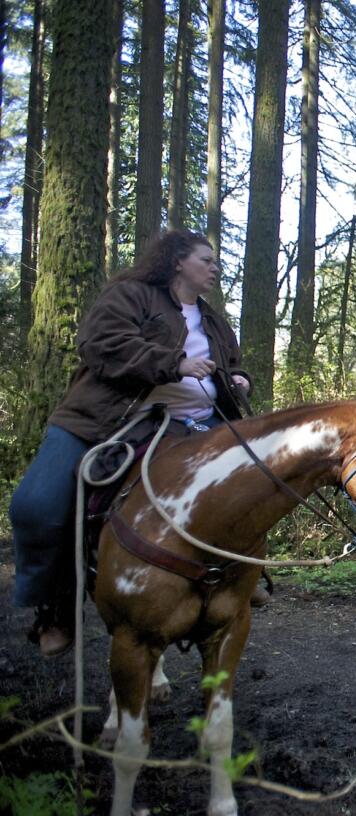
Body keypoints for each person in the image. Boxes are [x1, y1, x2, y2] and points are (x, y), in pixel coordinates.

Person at [9, 230, 255, 658]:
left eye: (215, 261)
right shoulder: (129, 295)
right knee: (37, 505)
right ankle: (56, 606)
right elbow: (102, 346)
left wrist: (240, 379)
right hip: (105, 421)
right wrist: (174, 364)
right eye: (206, 259)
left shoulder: (213, 318)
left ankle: (242, 579)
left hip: (195, 427)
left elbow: (232, 363)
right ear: (178, 262)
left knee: (253, 483)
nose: (214, 267)